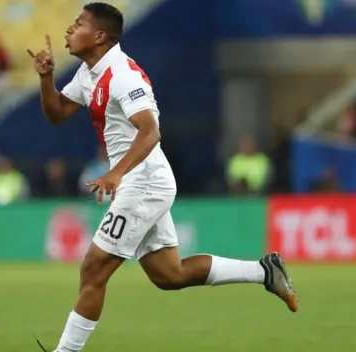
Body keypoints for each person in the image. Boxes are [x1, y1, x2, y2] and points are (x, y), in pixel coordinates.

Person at [27, 3, 298, 351]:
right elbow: (58, 113)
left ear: (98, 36)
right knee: (170, 275)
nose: (69, 29)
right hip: (138, 181)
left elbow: (151, 131)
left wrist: (116, 172)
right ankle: (265, 271)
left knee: (93, 269)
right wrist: (46, 78)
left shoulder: (123, 75)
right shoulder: (88, 73)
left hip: (143, 182)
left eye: (78, 23)